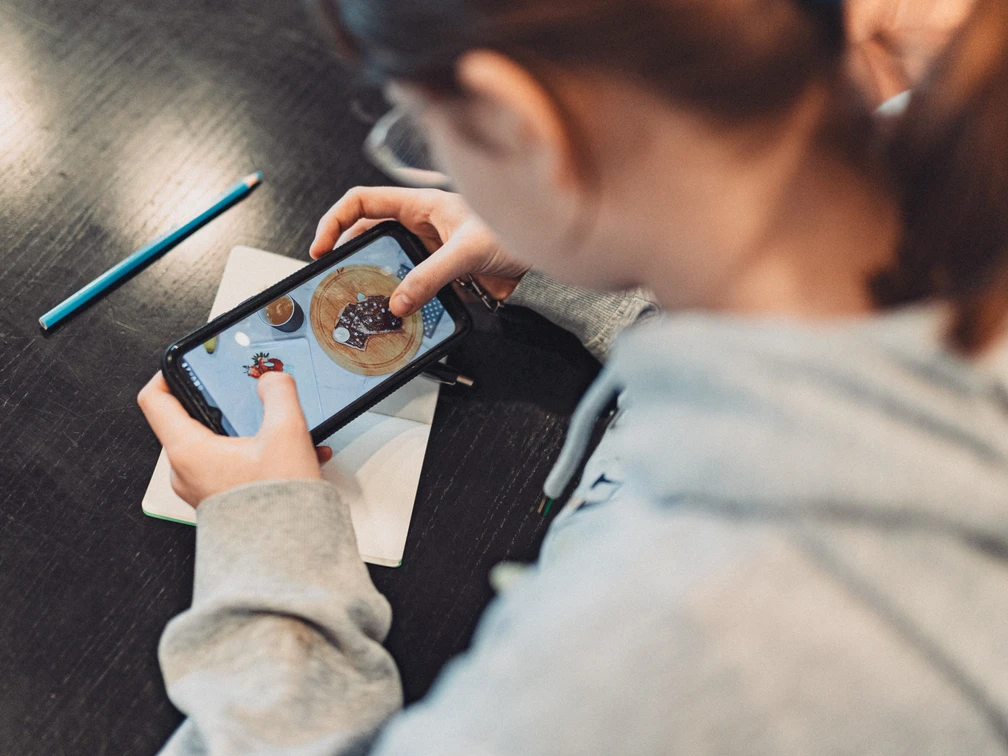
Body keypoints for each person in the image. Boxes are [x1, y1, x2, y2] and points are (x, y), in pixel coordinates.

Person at [137, 0, 1008, 753]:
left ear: (525, 125)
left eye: (416, 124)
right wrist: (614, 240)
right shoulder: (949, 171)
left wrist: (272, 552)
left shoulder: (667, 646)